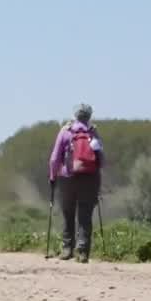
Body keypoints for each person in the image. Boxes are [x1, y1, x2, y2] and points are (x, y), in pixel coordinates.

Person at [48, 103, 104, 262]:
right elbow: (101, 158)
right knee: (85, 215)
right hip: (89, 178)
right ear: (89, 116)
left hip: (68, 178)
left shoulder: (65, 132)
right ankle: (83, 251)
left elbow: (54, 159)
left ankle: (67, 249)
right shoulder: (92, 133)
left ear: (75, 115)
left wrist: (52, 177)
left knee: (68, 213)